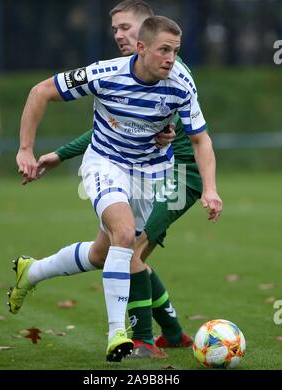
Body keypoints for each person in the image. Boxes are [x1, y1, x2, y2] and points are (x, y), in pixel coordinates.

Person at [12, 14, 222, 362]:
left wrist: (211, 189)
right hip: (105, 164)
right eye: (164, 51)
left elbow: (201, 140)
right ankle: (119, 335)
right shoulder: (105, 73)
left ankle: (31, 271)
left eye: (175, 51)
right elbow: (40, 91)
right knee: (126, 237)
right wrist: (25, 148)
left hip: (152, 174)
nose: (171, 58)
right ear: (143, 48)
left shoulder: (181, 83)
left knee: (103, 253)